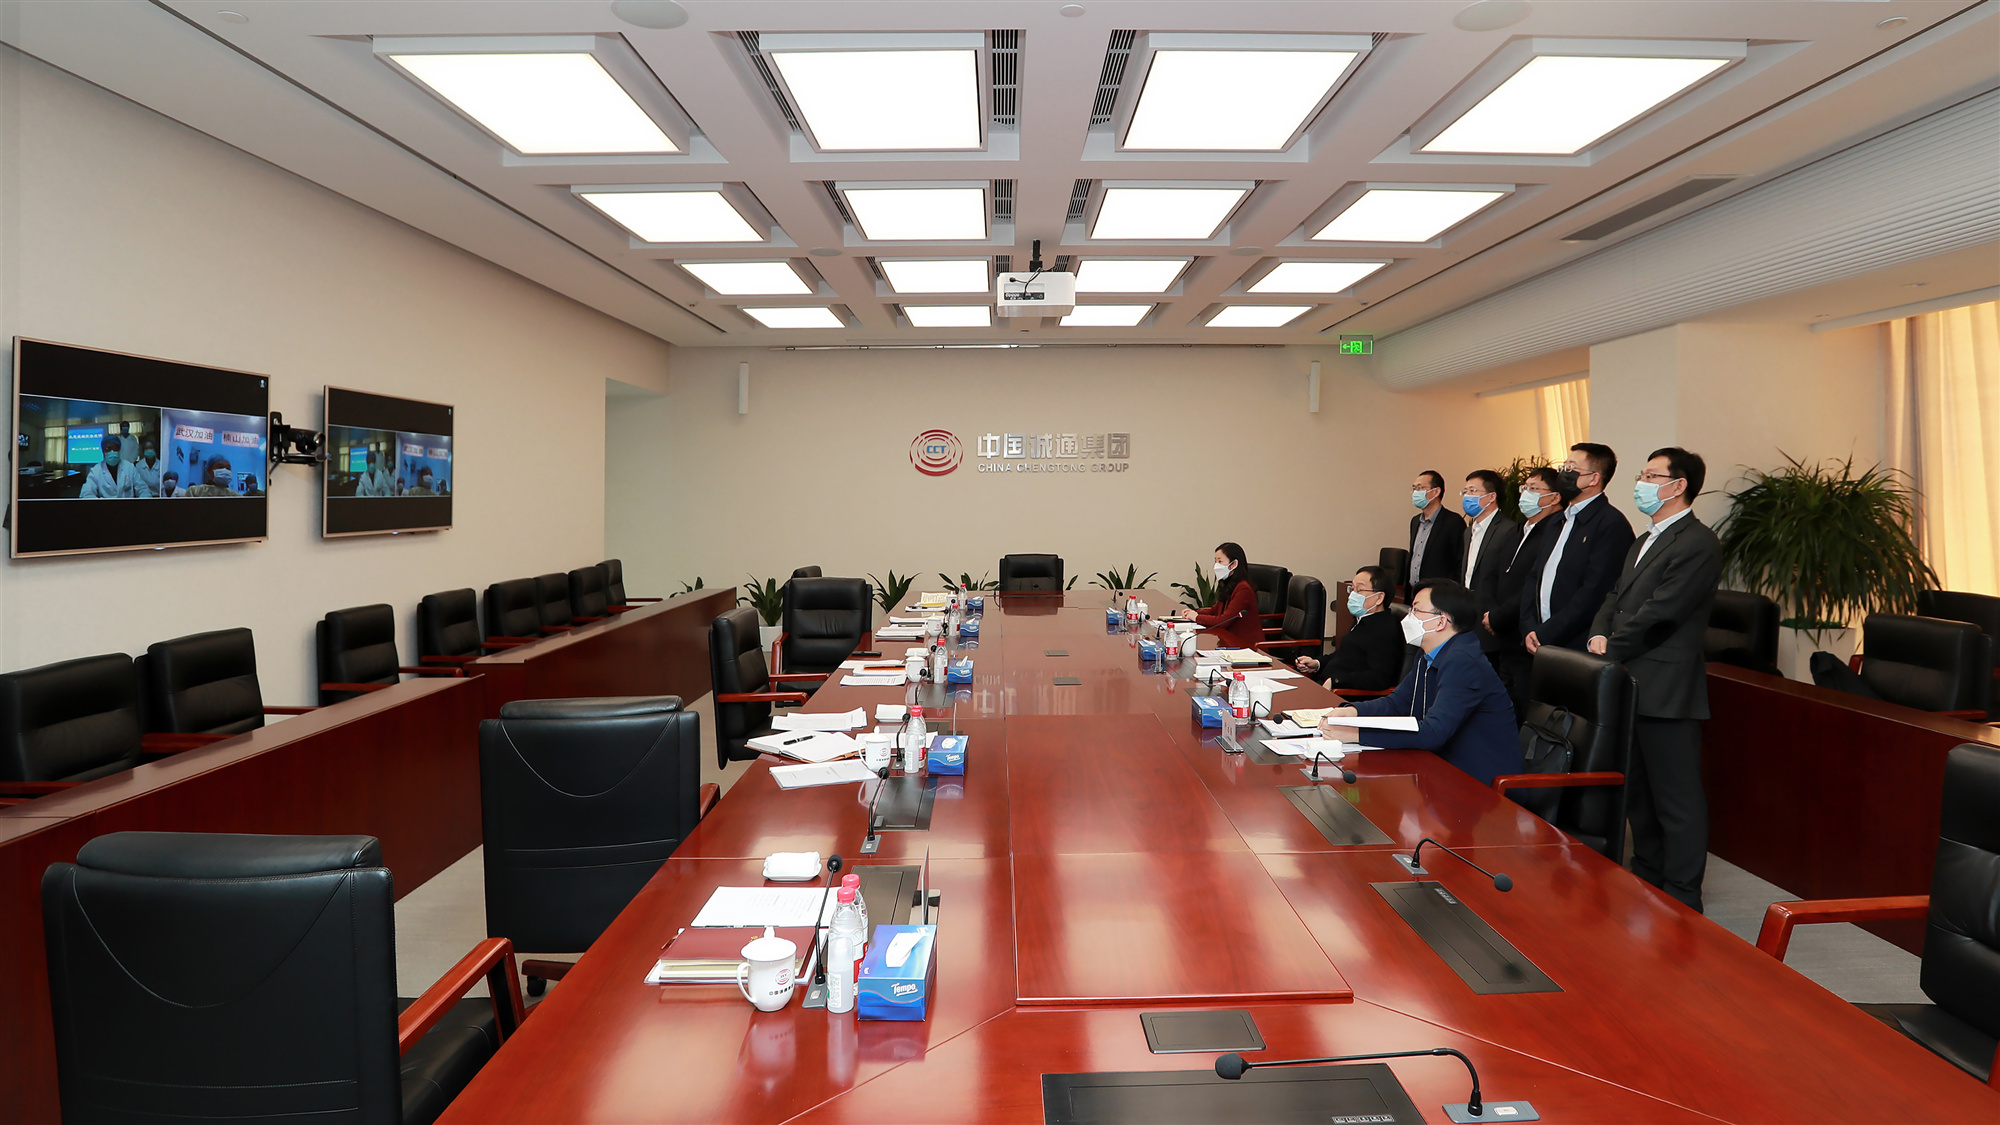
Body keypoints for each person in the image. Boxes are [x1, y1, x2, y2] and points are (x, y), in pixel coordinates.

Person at [1588, 447, 1724, 912]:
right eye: (1642, 475)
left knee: (1676, 799)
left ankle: (1683, 895)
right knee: (1639, 793)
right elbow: (1615, 595)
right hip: (1630, 680)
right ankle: (1647, 876)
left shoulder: (1698, 542)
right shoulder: (1645, 538)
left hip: (1667, 687)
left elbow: (1662, 612)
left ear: (1679, 485)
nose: (1641, 484)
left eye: (1651, 476)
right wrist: (1598, 634)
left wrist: (1612, 645)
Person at [1319, 579, 1518, 787]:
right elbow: (1397, 704)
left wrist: (1356, 734)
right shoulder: (1428, 654)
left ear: (1441, 622)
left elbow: (1433, 733)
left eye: (1416, 610)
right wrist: (1352, 712)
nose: (1408, 617)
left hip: (1478, 782)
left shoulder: (1463, 661)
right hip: (1439, 768)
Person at [1519, 442, 1634, 654]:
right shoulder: (1557, 521)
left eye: (1571, 468)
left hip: (1577, 644)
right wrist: (1529, 627)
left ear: (1593, 479)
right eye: (1563, 467)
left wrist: (1547, 633)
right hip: (1539, 640)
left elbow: (1594, 593)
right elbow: (1535, 577)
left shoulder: (1610, 524)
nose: (1563, 474)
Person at [1485, 466, 1573, 718]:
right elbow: (1494, 574)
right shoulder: (1517, 530)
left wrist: (1501, 616)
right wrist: (1492, 613)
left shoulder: (1555, 531)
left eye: (1534, 489)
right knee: (1502, 708)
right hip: (1502, 635)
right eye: (1525, 488)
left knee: (1527, 709)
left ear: (1555, 497)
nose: (1525, 494)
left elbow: (1534, 585)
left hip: (1527, 634)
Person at [1295, 565, 1403, 690]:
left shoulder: (1385, 629)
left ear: (1379, 598)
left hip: (1343, 695)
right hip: (1325, 685)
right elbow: (1345, 655)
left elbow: (1379, 678)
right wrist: (1317, 663)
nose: (1353, 595)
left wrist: (1336, 681)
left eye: (1359, 590)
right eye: (1352, 589)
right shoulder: (1363, 619)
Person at [1175, 542, 1263, 650]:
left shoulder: (1243, 589)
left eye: (1220, 561)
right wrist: (1194, 613)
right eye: (1215, 561)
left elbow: (1224, 620)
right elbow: (1215, 610)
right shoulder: (1229, 584)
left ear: (1233, 564)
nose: (1216, 566)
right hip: (1229, 642)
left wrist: (1196, 617)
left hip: (1246, 647)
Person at [1407, 470, 1466, 588]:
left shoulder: (1453, 521)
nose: (1416, 492)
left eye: (1420, 488)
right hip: (1415, 591)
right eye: (1414, 488)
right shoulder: (1415, 521)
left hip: (1439, 592)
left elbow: (1460, 562)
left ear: (1436, 492)